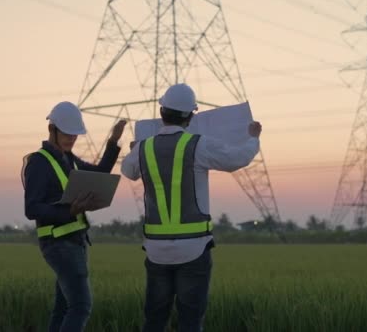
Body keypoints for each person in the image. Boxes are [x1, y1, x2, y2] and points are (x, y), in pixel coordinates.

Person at [121, 83, 262, 332]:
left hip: (155, 251)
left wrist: (135, 150)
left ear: (162, 112)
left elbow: (128, 171)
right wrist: (253, 138)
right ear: (190, 116)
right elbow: (236, 159)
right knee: (190, 322)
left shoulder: (144, 148)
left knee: (154, 320)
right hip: (194, 249)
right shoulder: (198, 145)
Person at [22, 101, 125, 332]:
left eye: (75, 135)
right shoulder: (38, 163)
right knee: (80, 306)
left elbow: (98, 174)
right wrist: (69, 211)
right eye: (67, 134)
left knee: (63, 309)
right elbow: (32, 208)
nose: (71, 139)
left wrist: (113, 142)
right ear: (52, 129)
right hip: (58, 244)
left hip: (74, 242)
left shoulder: (69, 159)